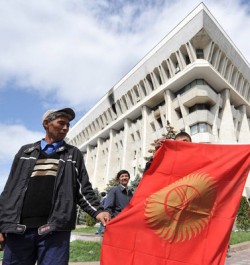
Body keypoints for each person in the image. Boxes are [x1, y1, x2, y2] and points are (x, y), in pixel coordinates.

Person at [0, 108, 110, 265]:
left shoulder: (72, 154)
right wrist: (1, 224)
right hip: (18, 231)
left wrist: (99, 211)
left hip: (55, 231)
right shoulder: (25, 152)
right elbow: (9, 190)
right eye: (61, 123)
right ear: (46, 124)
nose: (65, 128)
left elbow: (82, 189)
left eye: (68, 124)